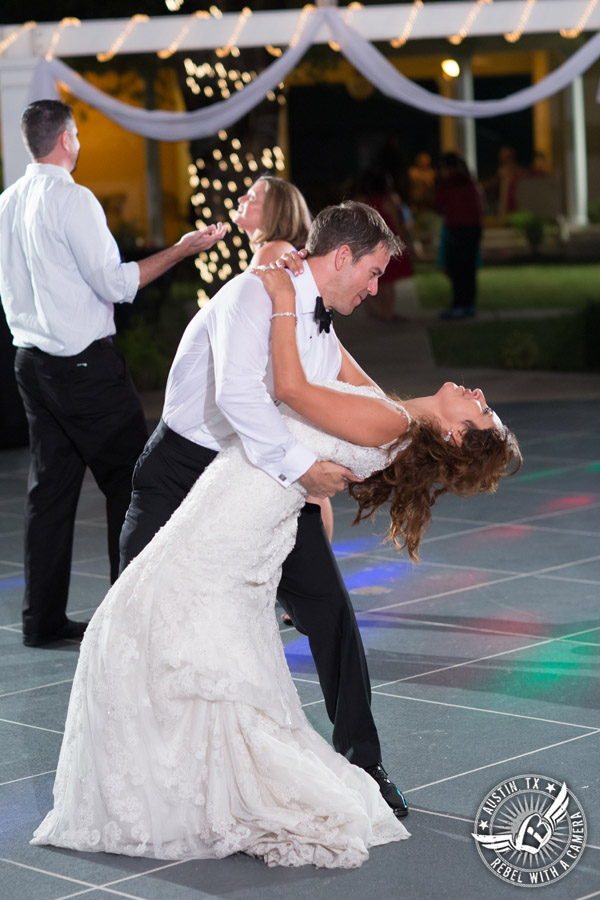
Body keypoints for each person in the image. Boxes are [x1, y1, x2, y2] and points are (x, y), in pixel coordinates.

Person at [31, 258, 521, 866]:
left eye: (479, 410)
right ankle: (186, 778)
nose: (477, 394)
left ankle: (205, 780)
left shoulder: (391, 420)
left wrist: (282, 296)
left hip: (237, 514)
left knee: (142, 623)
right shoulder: (394, 416)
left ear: (453, 437)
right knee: (189, 638)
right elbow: (338, 370)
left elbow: (290, 389)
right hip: (237, 503)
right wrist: (305, 301)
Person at [118, 201, 413, 819]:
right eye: (375, 272)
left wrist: (416, 427)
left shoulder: (319, 316)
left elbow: (351, 391)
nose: (376, 286)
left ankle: (364, 761)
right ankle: (147, 774)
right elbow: (239, 395)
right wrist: (303, 470)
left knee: (330, 611)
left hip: (258, 479)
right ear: (342, 258)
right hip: (181, 473)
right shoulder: (255, 294)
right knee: (141, 622)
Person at [0, 99, 227, 648]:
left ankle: (41, 621)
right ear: (67, 140)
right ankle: (128, 626)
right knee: (134, 482)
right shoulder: (74, 200)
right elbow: (118, 284)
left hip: (30, 364)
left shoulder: (7, 202)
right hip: (84, 369)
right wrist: (183, 249)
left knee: (49, 495)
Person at [233, 175, 334, 551]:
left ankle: (313, 578)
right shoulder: (280, 250)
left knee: (302, 490)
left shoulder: (271, 251)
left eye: (254, 196)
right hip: (288, 379)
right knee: (305, 491)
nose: (243, 197)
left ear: (276, 211)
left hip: (275, 384)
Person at [356, 169, 413, 322]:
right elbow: (396, 224)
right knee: (388, 281)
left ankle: (379, 310)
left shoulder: (363, 202)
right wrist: (405, 242)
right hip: (387, 245)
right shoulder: (388, 201)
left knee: (379, 280)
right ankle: (388, 311)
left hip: (370, 245)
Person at [434, 152, 483, 320]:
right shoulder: (469, 180)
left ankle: (459, 304)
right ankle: (468, 304)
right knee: (469, 267)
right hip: (474, 227)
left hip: (457, 228)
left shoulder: (449, 183)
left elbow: (438, 205)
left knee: (456, 267)